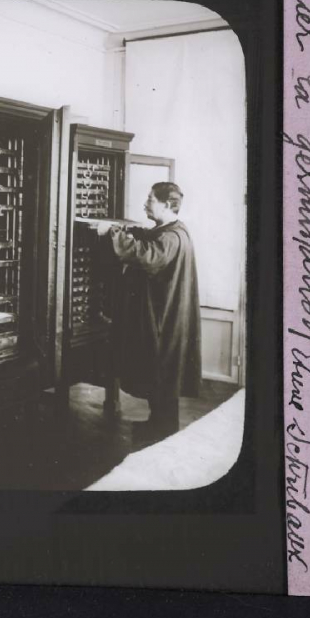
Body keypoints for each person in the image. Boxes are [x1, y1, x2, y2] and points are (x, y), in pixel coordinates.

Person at [96, 182, 202, 444]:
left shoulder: (171, 237)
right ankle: (158, 425)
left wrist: (113, 234)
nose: (145, 203)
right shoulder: (174, 231)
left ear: (167, 204)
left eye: (150, 199)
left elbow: (148, 255)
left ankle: (163, 432)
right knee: (162, 374)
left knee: (161, 372)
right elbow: (150, 238)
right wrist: (132, 231)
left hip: (164, 321)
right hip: (167, 318)